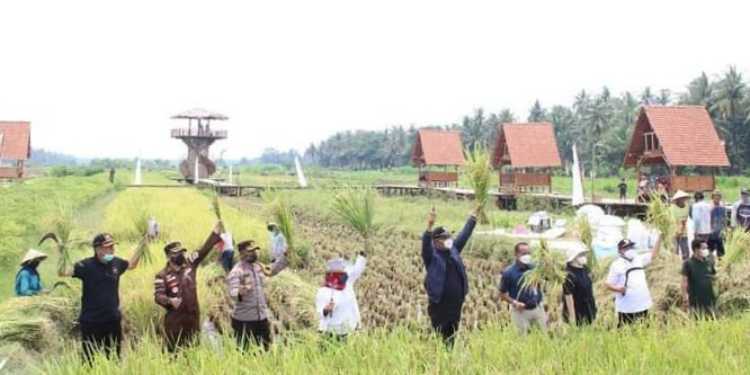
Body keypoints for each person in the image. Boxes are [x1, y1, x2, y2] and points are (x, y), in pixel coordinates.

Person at [59, 233, 145, 363]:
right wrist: (62, 251)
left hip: (112, 321)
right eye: (108, 247)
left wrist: (143, 245)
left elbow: (132, 265)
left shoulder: (116, 263)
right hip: (91, 323)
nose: (112, 250)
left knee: (114, 359)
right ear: (98, 249)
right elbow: (62, 272)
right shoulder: (85, 266)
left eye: (112, 246)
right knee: (89, 361)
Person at [153, 221, 223, 352]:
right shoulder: (161, 275)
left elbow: (203, 251)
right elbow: (158, 296)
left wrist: (215, 233)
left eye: (182, 252)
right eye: (177, 253)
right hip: (175, 322)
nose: (181, 255)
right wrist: (169, 301)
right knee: (175, 354)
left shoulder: (190, 264)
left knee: (194, 352)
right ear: (168, 257)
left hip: (193, 320)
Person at [422, 206, 478, 347]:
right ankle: (438, 359)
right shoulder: (432, 257)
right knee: (439, 335)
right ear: (435, 241)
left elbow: (464, 235)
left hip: (456, 304)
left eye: (449, 237)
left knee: (452, 335)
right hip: (439, 305)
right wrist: (429, 226)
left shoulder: (454, 251)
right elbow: (425, 246)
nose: (448, 240)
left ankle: (449, 357)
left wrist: (473, 217)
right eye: (444, 238)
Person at [226, 240, 288, 351]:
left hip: (261, 318)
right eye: (250, 251)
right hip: (244, 321)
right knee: (245, 353)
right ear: (242, 253)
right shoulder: (237, 271)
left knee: (266, 350)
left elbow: (272, 270)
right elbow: (232, 292)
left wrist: (285, 257)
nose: (254, 253)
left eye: (255, 250)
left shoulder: (258, 267)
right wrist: (239, 291)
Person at [605, 236, 661, 327]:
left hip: (643, 304)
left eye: (631, 247)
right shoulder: (616, 265)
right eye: (626, 248)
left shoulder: (639, 259)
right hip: (626, 307)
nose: (629, 250)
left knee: (644, 331)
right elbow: (608, 284)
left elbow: (654, 254)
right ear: (620, 251)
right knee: (626, 332)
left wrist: (659, 237)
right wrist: (619, 289)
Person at [315, 252, 367, 341]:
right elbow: (320, 311)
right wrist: (326, 310)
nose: (344, 274)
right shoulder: (323, 292)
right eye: (341, 272)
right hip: (329, 331)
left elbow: (356, 271)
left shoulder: (348, 285)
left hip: (345, 331)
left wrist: (362, 257)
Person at [499, 242, 547, 334]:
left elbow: (545, 277)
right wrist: (514, 302)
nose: (527, 256)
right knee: (523, 340)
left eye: (528, 253)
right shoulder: (508, 273)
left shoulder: (534, 268)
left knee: (542, 337)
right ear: (516, 255)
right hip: (520, 312)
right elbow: (502, 294)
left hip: (537, 308)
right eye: (524, 253)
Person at [681, 239, 717, 317]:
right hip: (696, 300)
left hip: (709, 299)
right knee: (698, 321)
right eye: (703, 248)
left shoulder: (709, 262)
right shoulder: (688, 264)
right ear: (696, 249)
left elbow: (714, 276)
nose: (706, 250)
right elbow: (684, 282)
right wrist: (685, 298)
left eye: (706, 248)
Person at [562, 247, 596, 326]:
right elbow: (568, 296)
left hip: (588, 308)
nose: (584, 256)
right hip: (577, 310)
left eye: (584, 254)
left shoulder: (585, 269)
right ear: (573, 257)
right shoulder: (569, 274)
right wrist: (572, 316)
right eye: (581, 255)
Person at [671, 190, 691, 260]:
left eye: (683, 198)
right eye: (681, 198)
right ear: (677, 200)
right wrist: (678, 232)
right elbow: (674, 220)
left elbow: (685, 219)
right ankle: (674, 265)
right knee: (674, 251)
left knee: (685, 251)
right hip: (674, 231)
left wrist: (682, 230)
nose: (683, 200)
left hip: (683, 231)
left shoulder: (687, 206)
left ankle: (686, 265)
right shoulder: (673, 207)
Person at [709, 191, 728, 258]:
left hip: (720, 231)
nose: (717, 198)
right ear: (712, 198)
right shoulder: (709, 207)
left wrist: (726, 229)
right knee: (710, 250)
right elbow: (708, 219)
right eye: (715, 197)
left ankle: (721, 262)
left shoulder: (722, 207)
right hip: (711, 232)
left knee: (721, 250)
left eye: (718, 197)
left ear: (720, 198)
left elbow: (724, 218)